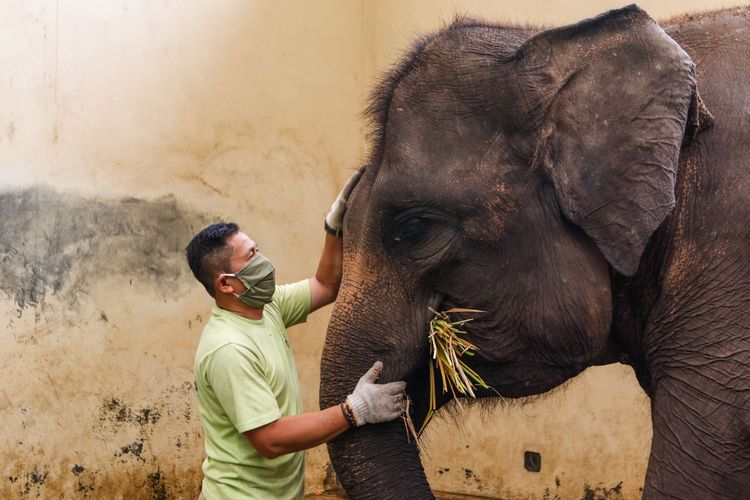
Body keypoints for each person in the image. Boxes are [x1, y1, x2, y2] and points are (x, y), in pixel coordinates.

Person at [185, 171, 406, 500]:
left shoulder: (266, 306)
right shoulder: (228, 348)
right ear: (226, 284)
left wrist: (334, 227)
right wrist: (354, 410)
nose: (263, 261)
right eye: (251, 257)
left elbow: (326, 285)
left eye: (257, 249)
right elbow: (270, 440)